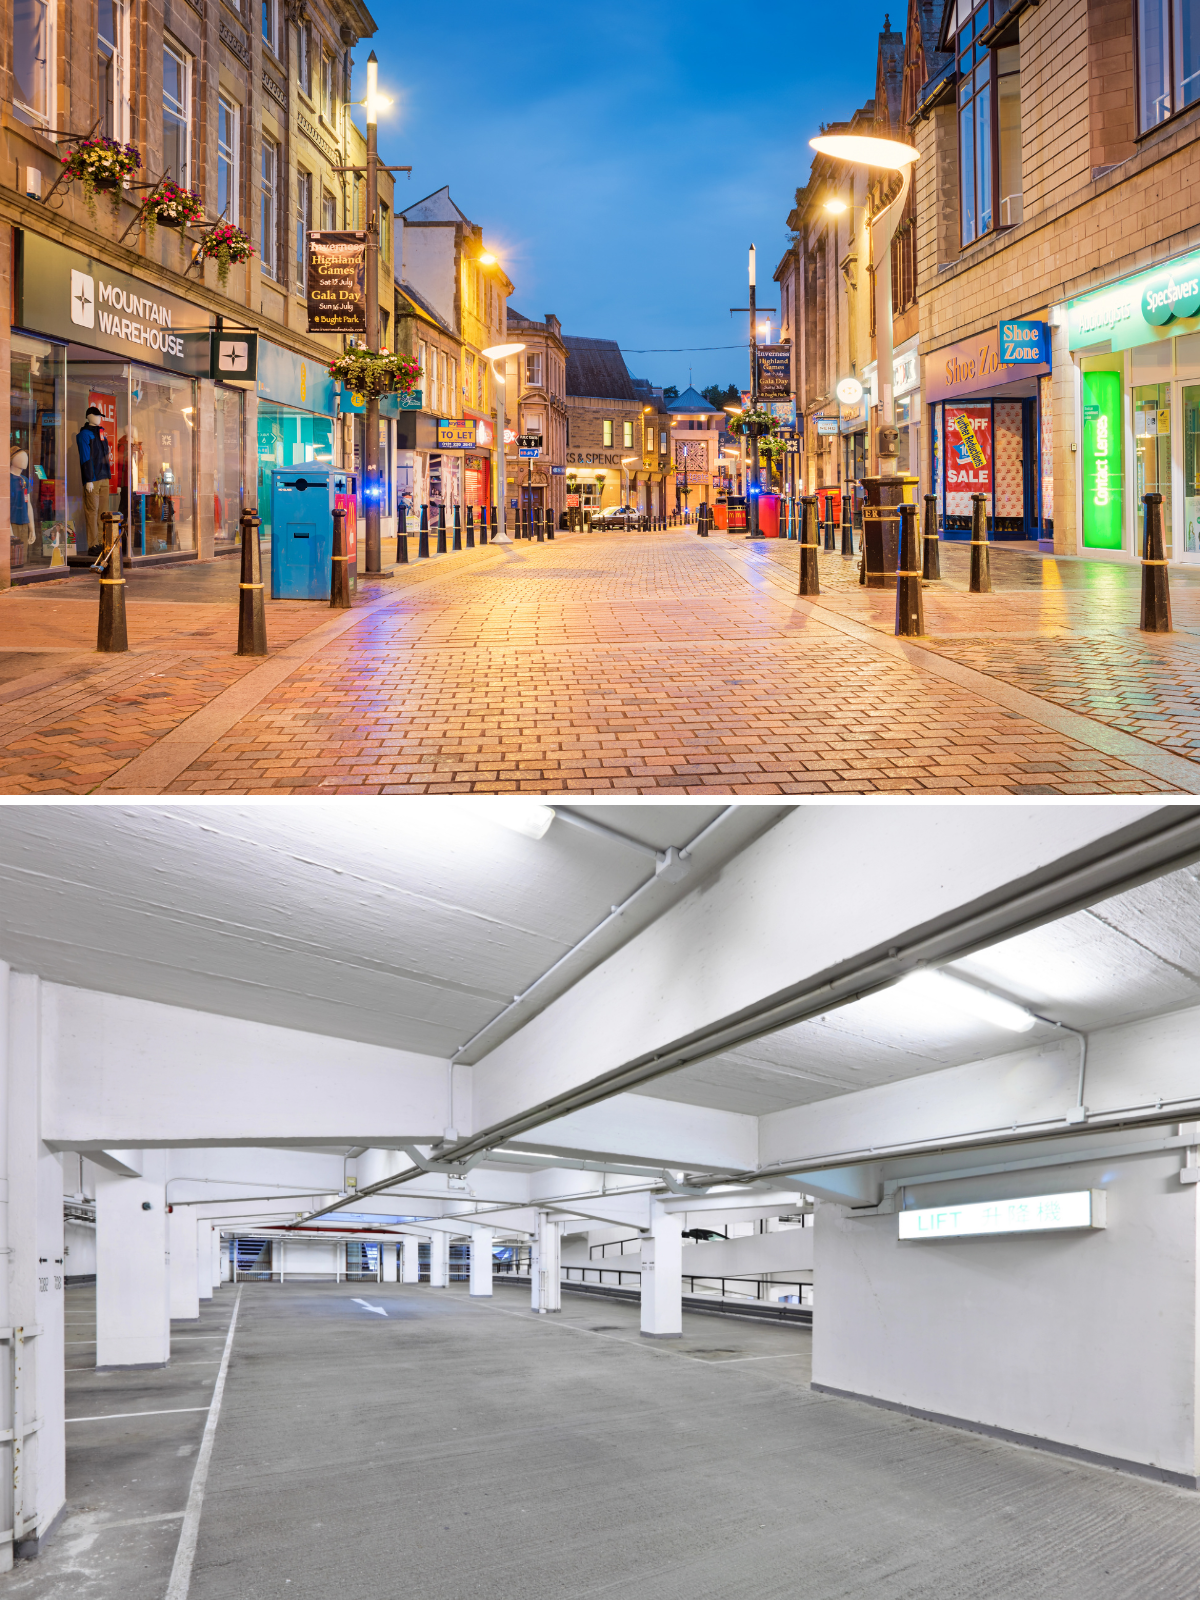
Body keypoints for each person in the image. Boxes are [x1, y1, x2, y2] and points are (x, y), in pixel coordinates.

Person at [76, 405, 112, 554]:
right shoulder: (84, 435)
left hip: (104, 477)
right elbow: (85, 458)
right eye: (97, 416)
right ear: (89, 416)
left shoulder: (101, 433)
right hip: (93, 478)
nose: (99, 418)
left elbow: (106, 454)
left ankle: (102, 541)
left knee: (103, 513)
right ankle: (93, 544)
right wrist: (88, 479)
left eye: (100, 416)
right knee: (92, 511)